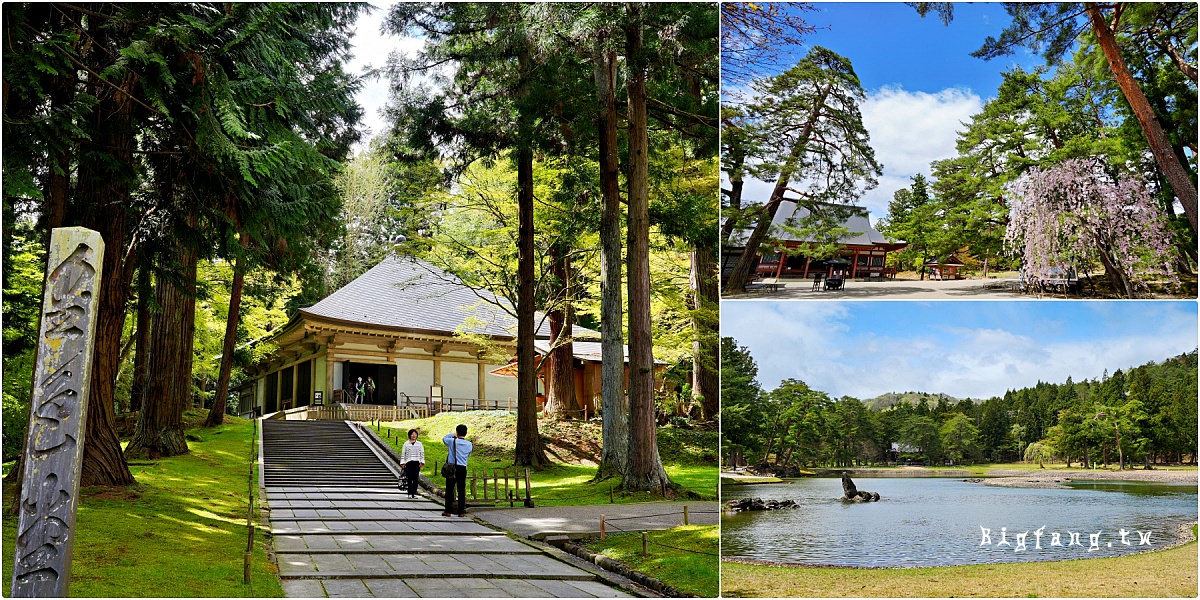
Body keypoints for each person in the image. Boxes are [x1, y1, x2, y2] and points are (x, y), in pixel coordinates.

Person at [442, 424, 473, 517]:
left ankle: (448, 510)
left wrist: (453, 434)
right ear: (466, 433)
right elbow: (468, 455)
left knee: (449, 489)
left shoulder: (452, 441)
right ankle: (461, 511)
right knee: (461, 489)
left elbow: (444, 438)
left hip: (452, 467)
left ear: (457, 432)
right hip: (463, 467)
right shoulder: (469, 444)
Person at [399, 429, 425, 498]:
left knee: (415, 478)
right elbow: (403, 454)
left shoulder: (419, 444)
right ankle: (410, 493)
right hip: (409, 463)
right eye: (412, 434)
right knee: (409, 478)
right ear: (410, 435)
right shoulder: (406, 444)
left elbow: (422, 453)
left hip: (417, 462)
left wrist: (422, 462)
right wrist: (403, 462)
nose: (414, 435)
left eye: (415, 434)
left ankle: (414, 493)